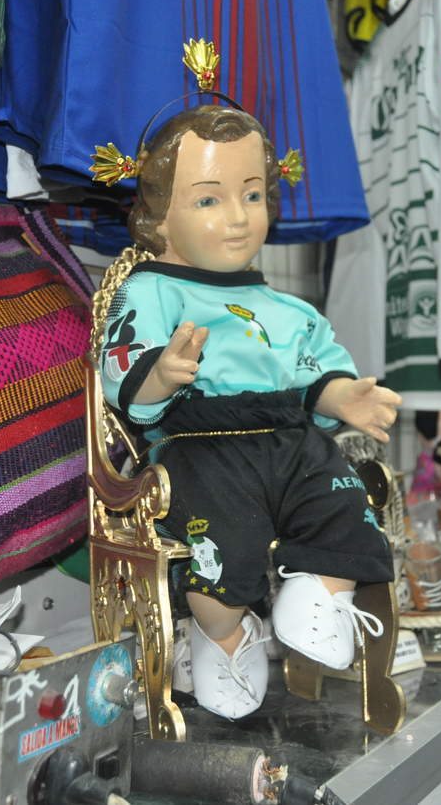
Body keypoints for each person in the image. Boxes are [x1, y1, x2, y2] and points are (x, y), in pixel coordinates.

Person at [95, 103, 400, 719]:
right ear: (159, 216)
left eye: (253, 195)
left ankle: (317, 599)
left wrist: (342, 396)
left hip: (293, 441)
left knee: (347, 506)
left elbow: (313, 367)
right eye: (209, 200)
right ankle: (224, 638)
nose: (237, 217)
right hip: (202, 444)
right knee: (222, 543)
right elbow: (120, 366)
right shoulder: (151, 290)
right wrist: (159, 375)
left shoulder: (287, 309)